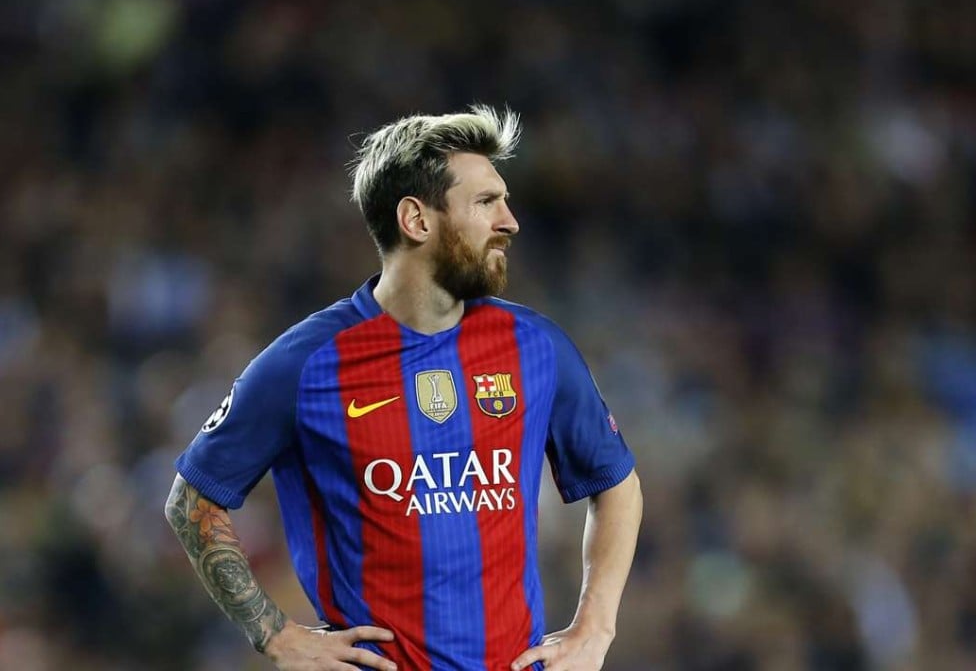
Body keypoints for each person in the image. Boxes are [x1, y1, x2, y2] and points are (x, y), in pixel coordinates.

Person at [164, 105, 643, 671]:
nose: (510, 221)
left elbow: (616, 483)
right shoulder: (305, 365)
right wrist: (275, 635)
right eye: (486, 202)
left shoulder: (536, 347)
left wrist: (596, 626)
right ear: (416, 220)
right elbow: (192, 500)